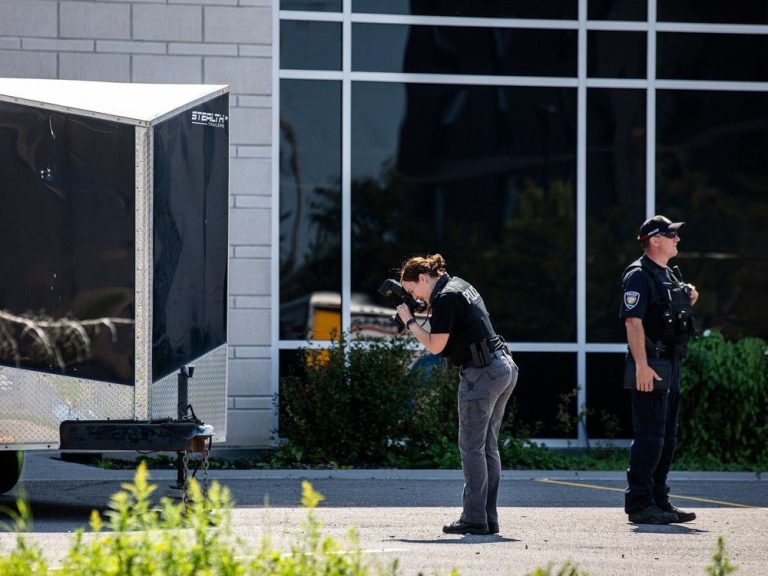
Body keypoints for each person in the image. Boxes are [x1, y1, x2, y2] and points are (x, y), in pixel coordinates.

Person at [395, 253, 519, 535]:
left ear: (423, 278)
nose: (415, 297)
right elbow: (446, 317)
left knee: (472, 448)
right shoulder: (458, 286)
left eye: (413, 290)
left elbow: (436, 345)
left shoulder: (447, 298)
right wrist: (415, 311)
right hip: (502, 368)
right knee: (487, 447)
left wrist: (410, 322)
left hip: (482, 374)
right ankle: (488, 518)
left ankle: (475, 519)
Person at [619, 215, 699, 524]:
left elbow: (671, 314)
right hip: (651, 365)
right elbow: (633, 321)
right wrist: (641, 365)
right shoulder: (638, 275)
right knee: (650, 436)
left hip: (671, 364)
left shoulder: (669, 275)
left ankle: (659, 500)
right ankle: (640, 504)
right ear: (654, 240)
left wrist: (690, 296)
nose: (677, 239)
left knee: (667, 436)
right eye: (671, 235)